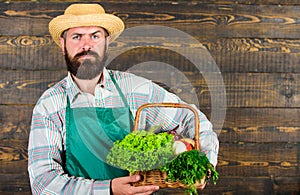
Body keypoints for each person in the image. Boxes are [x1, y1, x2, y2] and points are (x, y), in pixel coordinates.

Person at [28, 3, 219, 195]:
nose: (87, 45)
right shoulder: (50, 105)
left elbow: (191, 119)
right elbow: (42, 182)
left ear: (106, 41)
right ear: (63, 44)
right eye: (76, 37)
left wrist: (205, 164)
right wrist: (109, 189)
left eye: (95, 36)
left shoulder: (136, 90)